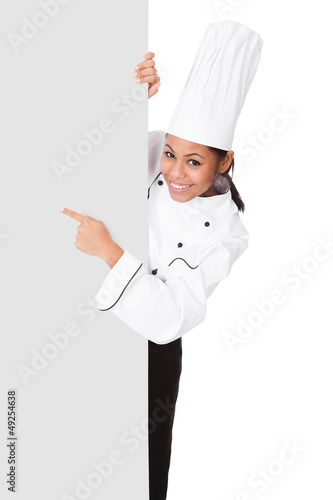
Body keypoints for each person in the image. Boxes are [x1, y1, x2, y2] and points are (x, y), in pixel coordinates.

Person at [59, 21, 263, 500]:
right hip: (92, 324)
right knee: (69, 461)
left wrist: (108, 251)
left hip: (152, 357)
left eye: (194, 161)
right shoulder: (153, 152)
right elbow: (84, 141)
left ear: (225, 161)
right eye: (170, 153)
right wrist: (133, 95)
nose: (173, 171)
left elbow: (170, 317)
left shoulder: (229, 233)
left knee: (139, 478)